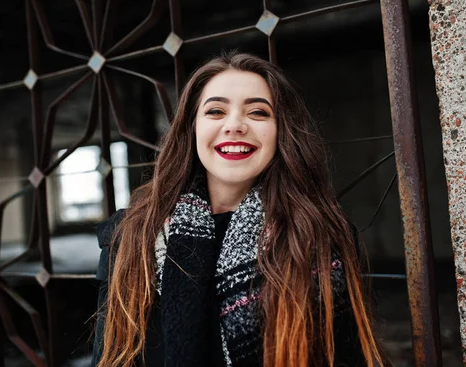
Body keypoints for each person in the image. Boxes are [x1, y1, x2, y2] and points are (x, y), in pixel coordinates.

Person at [92, 52, 385, 367]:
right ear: (191, 129)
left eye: (258, 112)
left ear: (281, 131)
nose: (234, 125)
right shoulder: (133, 234)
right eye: (216, 111)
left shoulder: (319, 237)